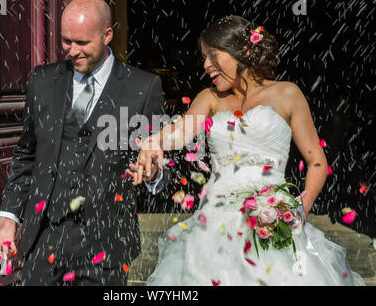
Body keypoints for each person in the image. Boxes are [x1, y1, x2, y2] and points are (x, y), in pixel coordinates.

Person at [131, 15, 365, 285]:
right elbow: (182, 131)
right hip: (212, 230)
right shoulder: (209, 98)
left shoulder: (287, 94)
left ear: (241, 51)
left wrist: (299, 209)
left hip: (273, 224)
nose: (206, 65)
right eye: (204, 57)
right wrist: (154, 141)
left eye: (213, 55)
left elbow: (316, 162)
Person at [0, 0, 166, 286]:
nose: (72, 50)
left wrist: (155, 173)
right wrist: (9, 214)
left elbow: (160, 160)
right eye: (66, 41)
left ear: (107, 35)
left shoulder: (144, 86)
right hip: (43, 239)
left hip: (105, 244)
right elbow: (26, 154)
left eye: (82, 43)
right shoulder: (42, 79)